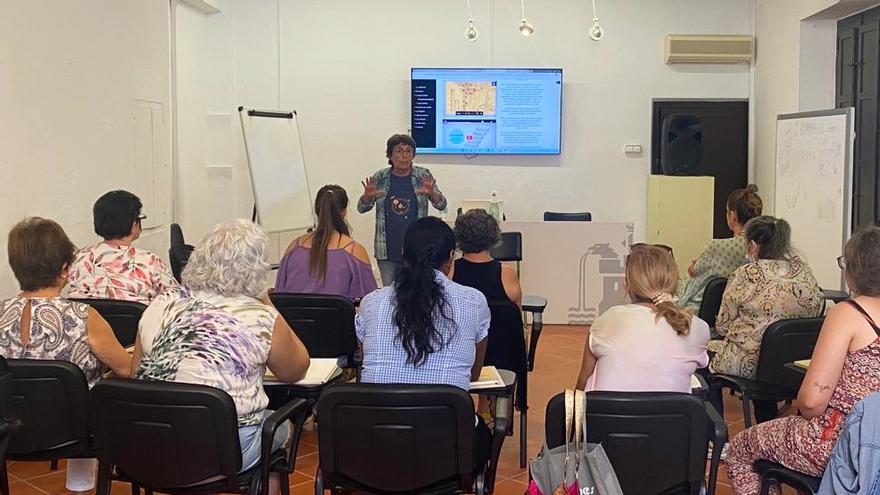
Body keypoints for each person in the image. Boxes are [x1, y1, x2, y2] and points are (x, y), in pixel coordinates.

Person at [132, 219, 310, 492]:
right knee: (279, 427)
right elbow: (296, 369)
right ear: (256, 269)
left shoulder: (159, 304)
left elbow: (136, 374)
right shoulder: (259, 316)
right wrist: (266, 300)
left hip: (152, 442)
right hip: (223, 453)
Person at [725, 225, 880, 495]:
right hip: (875, 449)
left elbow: (811, 402)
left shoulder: (849, 313)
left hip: (842, 442)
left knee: (739, 450)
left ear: (854, 269)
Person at [356, 216, 491, 466]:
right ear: (451, 257)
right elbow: (473, 375)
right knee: (484, 435)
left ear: (403, 255)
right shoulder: (474, 302)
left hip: (376, 448)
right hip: (447, 450)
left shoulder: (371, 303)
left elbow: (366, 365)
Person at [708, 216, 823, 421]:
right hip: (791, 365)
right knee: (767, 361)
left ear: (752, 245)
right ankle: (766, 425)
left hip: (750, 364)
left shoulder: (746, 273)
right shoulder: (804, 273)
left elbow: (723, 326)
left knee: (704, 360)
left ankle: (717, 435)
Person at [0, 217, 132, 387]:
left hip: (12, 413)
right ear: (64, 269)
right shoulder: (84, 318)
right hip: (80, 413)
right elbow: (128, 371)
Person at [575, 245, 710, 393]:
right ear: (675, 284)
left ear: (626, 284)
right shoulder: (698, 328)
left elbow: (581, 386)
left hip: (610, 414)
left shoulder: (605, 321)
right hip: (670, 415)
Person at [358, 134, 447, 286]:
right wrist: (367, 197)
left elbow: (442, 205)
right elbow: (361, 208)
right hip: (386, 249)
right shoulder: (380, 177)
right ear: (390, 155)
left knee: (418, 290)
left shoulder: (422, 175)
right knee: (391, 294)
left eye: (408, 151)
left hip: (417, 249)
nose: (404, 156)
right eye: (399, 151)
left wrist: (431, 193)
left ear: (413, 154)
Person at [67, 190, 178, 304]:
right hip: (136, 321)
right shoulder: (149, 260)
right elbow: (176, 298)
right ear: (134, 224)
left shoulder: (79, 257)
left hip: (87, 321)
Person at [275, 185, 377, 300]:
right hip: (338, 318)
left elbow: (279, 294)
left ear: (317, 209)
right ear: (344, 212)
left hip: (292, 318)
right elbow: (370, 302)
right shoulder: (355, 252)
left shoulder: (293, 247)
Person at [677, 185, 763, 312]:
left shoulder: (718, 247)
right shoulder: (764, 249)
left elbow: (693, 271)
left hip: (705, 312)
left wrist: (696, 264)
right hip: (740, 311)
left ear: (732, 216)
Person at [451, 209, 522, 306]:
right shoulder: (507, 274)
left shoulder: (449, 270)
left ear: (458, 236)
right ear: (493, 235)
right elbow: (516, 316)